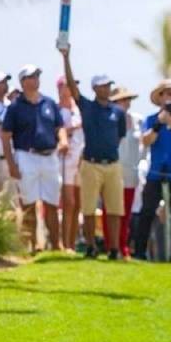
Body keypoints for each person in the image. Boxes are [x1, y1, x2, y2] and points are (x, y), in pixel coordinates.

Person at [60, 46, 126, 259]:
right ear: (95, 89)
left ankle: (113, 248)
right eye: (103, 86)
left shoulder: (118, 112)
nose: (107, 89)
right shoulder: (87, 107)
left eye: (108, 85)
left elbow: (119, 136)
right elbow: (72, 86)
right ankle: (91, 246)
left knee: (114, 209)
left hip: (113, 164)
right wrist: (66, 58)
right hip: (90, 163)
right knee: (88, 208)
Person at [1, 64, 68, 252]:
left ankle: (55, 244)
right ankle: (33, 244)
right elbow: (5, 137)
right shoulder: (15, 107)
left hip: (49, 156)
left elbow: (59, 127)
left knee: (52, 202)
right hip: (26, 156)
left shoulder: (49, 103)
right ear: (23, 82)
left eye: (37, 75)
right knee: (28, 203)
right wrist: (11, 164)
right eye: (32, 76)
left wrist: (63, 140)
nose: (36, 79)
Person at [133, 79, 171, 262]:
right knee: (147, 211)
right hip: (156, 172)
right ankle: (140, 251)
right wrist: (159, 124)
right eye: (168, 93)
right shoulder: (151, 119)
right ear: (160, 97)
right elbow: (146, 141)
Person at [105, 86, 144, 259]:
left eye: (127, 99)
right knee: (111, 210)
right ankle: (111, 245)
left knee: (126, 211)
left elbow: (142, 146)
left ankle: (123, 245)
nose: (126, 103)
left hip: (131, 171)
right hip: (113, 168)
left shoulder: (137, 120)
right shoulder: (108, 118)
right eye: (122, 100)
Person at [56, 74, 85, 251]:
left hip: (80, 158)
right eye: (67, 86)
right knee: (68, 202)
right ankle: (64, 243)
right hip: (64, 159)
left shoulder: (79, 109)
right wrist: (71, 129)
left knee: (77, 204)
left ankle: (72, 244)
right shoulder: (56, 109)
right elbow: (56, 130)